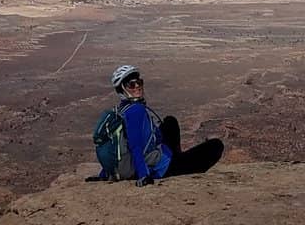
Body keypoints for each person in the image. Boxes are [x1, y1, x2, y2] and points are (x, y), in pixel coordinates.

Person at [87, 64, 224, 186]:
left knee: (170, 122)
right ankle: (177, 165)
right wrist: (143, 175)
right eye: (132, 85)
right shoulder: (136, 110)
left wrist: (105, 174)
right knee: (216, 146)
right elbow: (135, 145)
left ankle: (176, 156)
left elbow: (116, 143)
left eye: (139, 82)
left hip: (156, 153)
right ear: (122, 89)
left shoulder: (121, 109)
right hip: (159, 167)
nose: (138, 87)